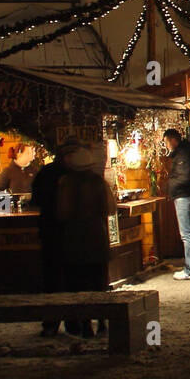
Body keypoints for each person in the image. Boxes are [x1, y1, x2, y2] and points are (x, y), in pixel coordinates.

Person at [54, 144, 117, 337]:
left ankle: (85, 324)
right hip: (97, 236)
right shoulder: (99, 183)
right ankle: (102, 322)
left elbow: (62, 212)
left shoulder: (66, 183)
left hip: (75, 238)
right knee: (99, 282)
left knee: (79, 284)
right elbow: (111, 208)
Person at [30, 140, 80, 335]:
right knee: (71, 280)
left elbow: (36, 199)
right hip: (68, 233)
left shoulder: (46, 173)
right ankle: (73, 322)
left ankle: (51, 323)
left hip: (51, 231)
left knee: (52, 281)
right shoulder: (75, 175)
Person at [164, 128, 190, 279]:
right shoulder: (187, 152)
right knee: (188, 233)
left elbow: (185, 176)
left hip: (183, 196)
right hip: (187, 195)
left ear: (173, 140)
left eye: (166, 142)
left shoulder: (182, 155)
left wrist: (170, 186)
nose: (166, 146)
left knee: (186, 234)